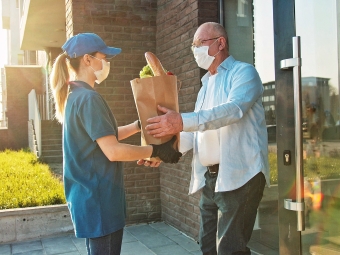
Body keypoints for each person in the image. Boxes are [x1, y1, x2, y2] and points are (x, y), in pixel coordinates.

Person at [49, 33, 181, 255]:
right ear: (87, 60)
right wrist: (157, 150)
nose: (107, 63)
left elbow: (103, 137)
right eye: (104, 57)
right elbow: (112, 151)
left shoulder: (76, 96)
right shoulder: (89, 99)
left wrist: (138, 125)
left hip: (88, 200)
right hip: (99, 201)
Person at [145, 22, 270, 255]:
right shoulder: (205, 86)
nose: (194, 50)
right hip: (211, 179)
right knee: (208, 247)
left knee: (231, 250)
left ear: (220, 43)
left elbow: (233, 110)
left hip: (241, 176)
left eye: (198, 44)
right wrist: (164, 153)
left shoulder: (244, 73)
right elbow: (196, 131)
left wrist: (182, 120)